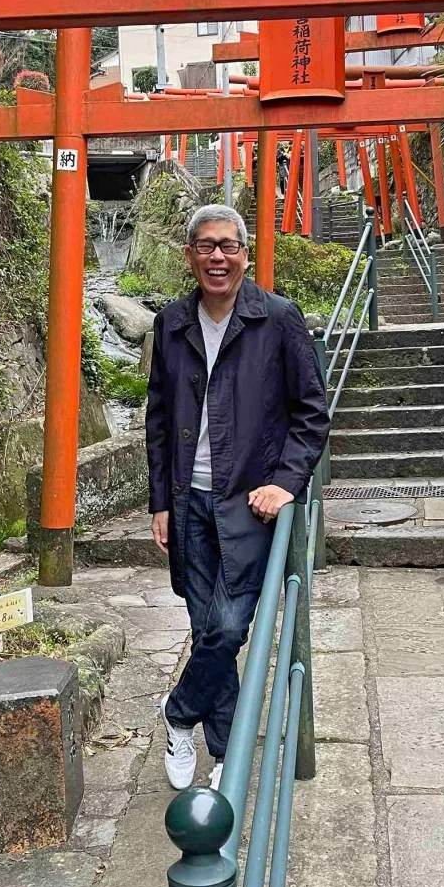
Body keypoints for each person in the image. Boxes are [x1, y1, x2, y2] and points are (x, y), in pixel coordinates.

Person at [145, 203, 330, 790]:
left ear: (245, 255)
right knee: (207, 632)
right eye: (206, 247)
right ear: (189, 256)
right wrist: (160, 502)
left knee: (228, 627)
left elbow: (311, 414)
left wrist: (285, 481)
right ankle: (224, 751)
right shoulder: (171, 323)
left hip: (247, 502)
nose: (217, 258)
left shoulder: (276, 319)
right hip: (188, 500)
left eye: (228, 246)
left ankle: (178, 713)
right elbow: (156, 419)